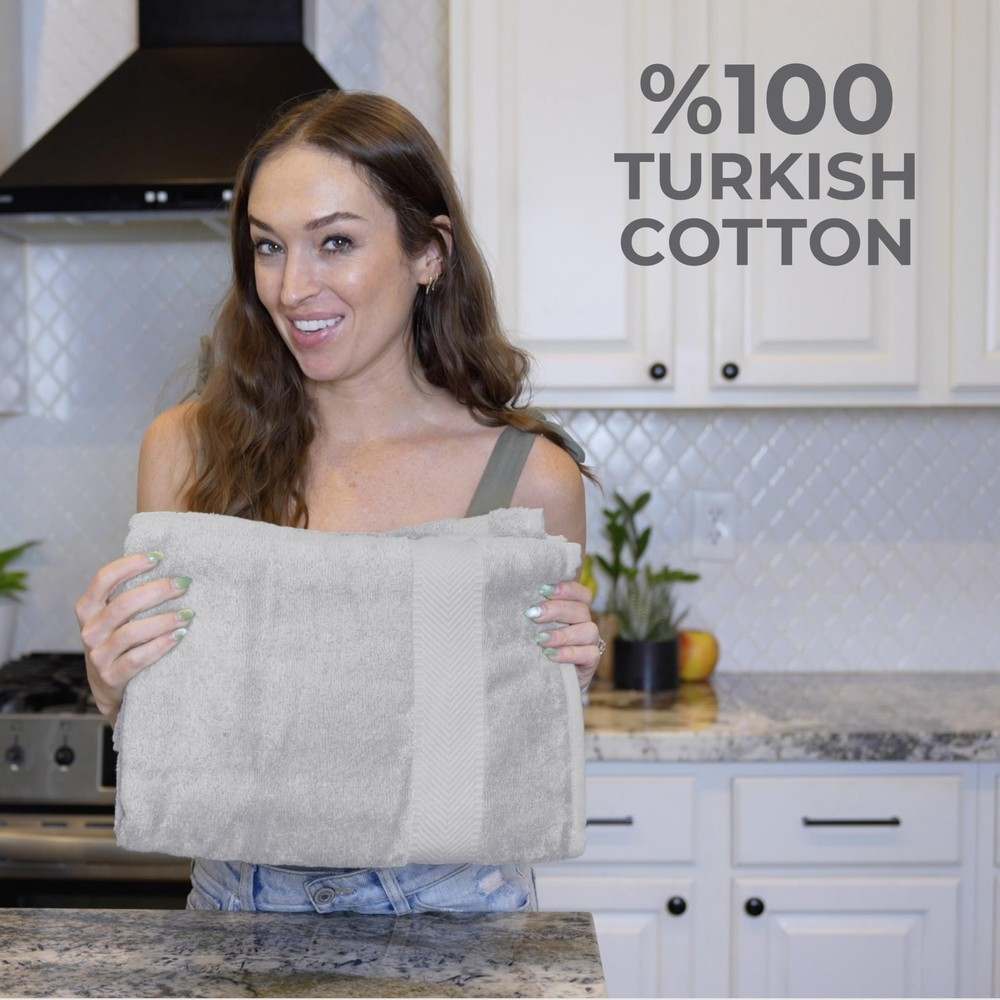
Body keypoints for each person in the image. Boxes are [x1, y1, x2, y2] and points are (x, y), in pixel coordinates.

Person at [74, 90, 602, 915]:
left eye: (336, 243)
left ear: (429, 253)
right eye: (269, 247)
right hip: (239, 905)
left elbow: (512, 756)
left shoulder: (530, 480)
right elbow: (179, 736)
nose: (293, 287)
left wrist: (567, 682)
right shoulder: (186, 451)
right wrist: (114, 689)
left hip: (457, 907)